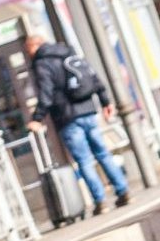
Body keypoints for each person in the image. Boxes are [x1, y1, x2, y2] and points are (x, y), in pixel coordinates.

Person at [26, 33, 131, 212]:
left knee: (84, 161)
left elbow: (46, 93)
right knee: (103, 153)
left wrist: (37, 119)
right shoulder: (68, 52)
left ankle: (100, 202)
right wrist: (105, 101)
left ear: (34, 46)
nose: (28, 53)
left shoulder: (42, 62)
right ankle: (123, 192)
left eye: (28, 49)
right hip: (89, 110)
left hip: (67, 118)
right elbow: (93, 77)